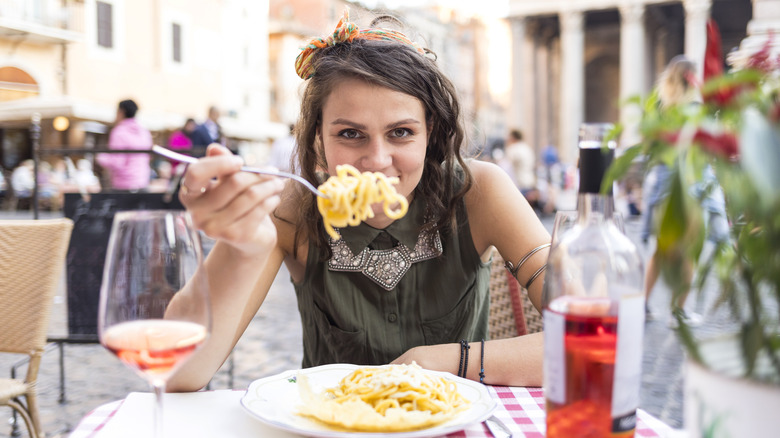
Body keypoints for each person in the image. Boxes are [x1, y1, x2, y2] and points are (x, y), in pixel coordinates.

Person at [167, 10, 550, 392]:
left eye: (401, 132)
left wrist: (444, 360)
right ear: (319, 135)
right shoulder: (292, 207)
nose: (378, 160)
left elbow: (595, 339)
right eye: (351, 134)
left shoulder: (480, 192)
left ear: (430, 131)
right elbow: (178, 371)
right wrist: (241, 247)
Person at [642, 55, 729, 325]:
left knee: (659, 250)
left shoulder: (656, 104)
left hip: (661, 183)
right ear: (691, 77)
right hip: (688, 182)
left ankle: (642, 305)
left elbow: (648, 144)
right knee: (690, 250)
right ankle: (678, 311)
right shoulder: (693, 105)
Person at [96, 99, 153, 191]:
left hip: (124, 185)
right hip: (143, 182)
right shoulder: (144, 132)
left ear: (121, 112)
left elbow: (117, 162)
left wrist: (101, 158)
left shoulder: (119, 132)